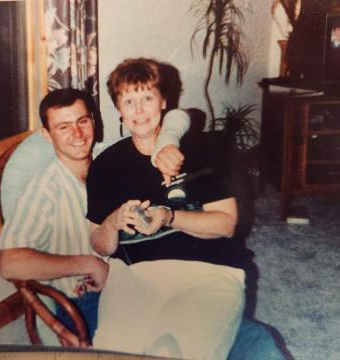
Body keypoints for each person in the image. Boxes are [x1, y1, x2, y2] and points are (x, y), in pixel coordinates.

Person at [86, 58, 283, 359]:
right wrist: (112, 223)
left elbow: (226, 224)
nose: (139, 110)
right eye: (129, 100)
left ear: (163, 102)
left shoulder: (202, 150)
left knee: (177, 350)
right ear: (119, 109)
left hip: (207, 273)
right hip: (134, 277)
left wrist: (169, 217)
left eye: (147, 98)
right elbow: (99, 245)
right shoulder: (105, 166)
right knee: (113, 350)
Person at [0, 88, 190, 346]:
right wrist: (90, 263)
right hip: (86, 300)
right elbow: (9, 262)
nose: (77, 134)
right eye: (63, 127)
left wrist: (168, 138)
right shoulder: (44, 190)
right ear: (47, 134)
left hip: (135, 276)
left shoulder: (110, 159)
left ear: (93, 122)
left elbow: (180, 115)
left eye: (82, 121)